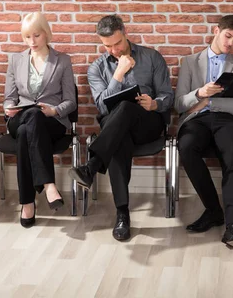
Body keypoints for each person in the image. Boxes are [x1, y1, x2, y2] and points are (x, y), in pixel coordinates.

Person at [68, 14, 174, 241]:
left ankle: (92, 166)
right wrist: (119, 73)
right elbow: (102, 108)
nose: (114, 50)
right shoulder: (96, 68)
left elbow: (168, 96)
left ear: (125, 33)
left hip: (147, 123)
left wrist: (154, 103)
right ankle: (122, 214)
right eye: (108, 46)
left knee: (126, 108)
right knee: (119, 136)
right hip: (114, 128)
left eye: (117, 43)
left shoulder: (151, 57)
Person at [174, 15, 233, 250]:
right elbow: (179, 104)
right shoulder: (189, 62)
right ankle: (213, 211)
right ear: (216, 30)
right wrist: (200, 93)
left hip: (228, 120)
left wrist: (209, 102)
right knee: (187, 147)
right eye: (228, 36)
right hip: (196, 120)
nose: (230, 44)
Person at [3, 12, 76, 228]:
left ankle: (27, 203)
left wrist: (54, 111)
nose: (31, 42)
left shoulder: (62, 61)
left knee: (28, 131)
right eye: (27, 37)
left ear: (46, 34)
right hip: (21, 116)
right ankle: (48, 184)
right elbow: (9, 98)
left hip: (51, 121)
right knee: (31, 114)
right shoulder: (16, 60)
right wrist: (9, 108)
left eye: (36, 36)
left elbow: (70, 101)